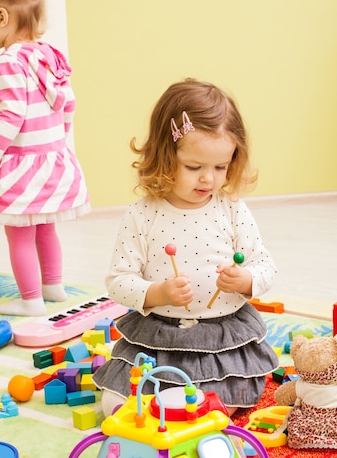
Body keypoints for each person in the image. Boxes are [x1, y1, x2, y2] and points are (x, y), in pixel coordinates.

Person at [93, 78, 278, 416]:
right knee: (114, 405)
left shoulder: (232, 208)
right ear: (165, 155)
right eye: (194, 167)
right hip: (160, 339)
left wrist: (246, 280)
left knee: (224, 404)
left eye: (220, 167)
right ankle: (172, 412)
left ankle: (187, 414)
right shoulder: (141, 214)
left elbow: (265, 266)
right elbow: (119, 281)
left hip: (221, 341)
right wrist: (157, 293)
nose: (208, 178)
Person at [0, 0, 90, 316]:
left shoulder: (8, 62)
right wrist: (59, 140)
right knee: (44, 227)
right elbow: (69, 103)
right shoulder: (46, 54)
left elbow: (11, 116)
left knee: (18, 233)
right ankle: (52, 287)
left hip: (25, 165)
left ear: (2, 17)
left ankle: (30, 300)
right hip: (53, 158)